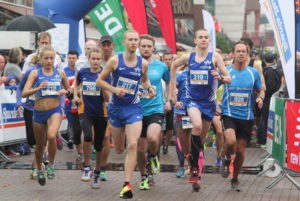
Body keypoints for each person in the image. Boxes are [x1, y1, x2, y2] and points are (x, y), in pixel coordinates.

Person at [170, 29, 231, 191]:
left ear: (209, 41)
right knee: (196, 126)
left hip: (209, 104)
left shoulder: (215, 57)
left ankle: (193, 163)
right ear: (195, 40)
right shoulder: (189, 57)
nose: (203, 40)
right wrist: (172, 91)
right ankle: (195, 169)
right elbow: (173, 65)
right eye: (201, 37)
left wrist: (221, 78)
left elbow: (229, 78)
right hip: (192, 101)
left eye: (206, 37)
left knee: (200, 140)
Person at [96, 30, 155, 199]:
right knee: (120, 149)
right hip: (115, 108)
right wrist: (114, 90)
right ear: (124, 42)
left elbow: (144, 81)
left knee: (133, 145)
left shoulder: (143, 63)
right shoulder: (115, 61)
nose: (133, 42)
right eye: (130, 40)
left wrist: (149, 89)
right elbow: (99, 81)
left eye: (136, 40)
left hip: (134, 108)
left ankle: (126, 185)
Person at [22, 46, 70, 186]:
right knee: (39, 145)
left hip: (54, 111)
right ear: (40, 59)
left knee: (52, 136)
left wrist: (66, 92)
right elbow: (25, 93)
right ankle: (39, 169)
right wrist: (38, 88)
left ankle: (51, 165)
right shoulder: (35, 74)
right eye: (46, 58)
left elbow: (69, 90)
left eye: (52, 58)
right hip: (39, 112)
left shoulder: (60, 72)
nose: (49, 61)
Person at [220, 41, 264, 191]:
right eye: (237, 51)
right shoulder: (225, 71)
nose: (240, 54)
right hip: (228, 113)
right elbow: (213, 88)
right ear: (233, 54)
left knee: (239, 150)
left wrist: (260, 98)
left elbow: (261, 89)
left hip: (246, 116)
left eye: (243, 51)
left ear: (247, 54)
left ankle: (235, 177)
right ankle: (226, 159)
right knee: (230, 141)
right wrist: (214, 103)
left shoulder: (253, 73)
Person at [137, 34, 171, 190]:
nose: (146, 49)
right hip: (136, 110)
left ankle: (153, 157)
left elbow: (169, 82)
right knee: (140, 149)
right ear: (138, 47)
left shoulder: (161, 66)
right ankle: (144, 176)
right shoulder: (133, 64)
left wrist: (168, 100)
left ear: (153, 48)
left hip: (155, 109)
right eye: (143, 46)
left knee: (152, 138)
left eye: (149, 46)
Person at [75, 48, 110, 189]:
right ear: (88, 59)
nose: (95, 61)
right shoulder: (83, 72)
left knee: (99, 144)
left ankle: (97, 171)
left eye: (98, 59)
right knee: (88, 136)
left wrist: (102, 87)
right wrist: (76, 95)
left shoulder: (105, 74)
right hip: (85, 111)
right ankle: (87, 166)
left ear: (102, 60)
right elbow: (76, 84)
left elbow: (108, 98)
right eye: (93, 58)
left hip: (101, 112)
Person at [98, 34, 115, 181]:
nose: (106, 47)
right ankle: (94, 164)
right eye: (104, 44)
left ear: (113, 46)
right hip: (95, 105)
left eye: (109, 44)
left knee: (106, 136)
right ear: (100, 45)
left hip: (113, 104)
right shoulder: (95, 62)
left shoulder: (118, 62)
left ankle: (102, 167)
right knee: (92, 138)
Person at [256, 52, 281, 147]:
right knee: (266, 119)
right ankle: (263, 140)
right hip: (268, 99)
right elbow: (270, 87)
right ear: (274, 60)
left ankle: (261, 139)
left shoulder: (265, 71)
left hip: (266, 98)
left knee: (265, 119)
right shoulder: (271, 71)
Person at [173, 67, 191, 178]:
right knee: (180, 140)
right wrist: (175, 100)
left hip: (193, 113)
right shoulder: (181, 75)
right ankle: (181, 166)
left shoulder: (201, 75)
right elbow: (172, 89)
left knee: (190, 139)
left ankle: (191, 165)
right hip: (181, 112)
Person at [63, 50, 79, 149]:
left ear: (77, 59)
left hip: (79, 99)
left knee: (79, 120)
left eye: (73, 58)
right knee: (70, 119)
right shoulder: (64, 71)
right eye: (70, 58)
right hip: (69, 100)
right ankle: (70, 139)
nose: (71, 60)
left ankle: (76, 139)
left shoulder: (79, 70)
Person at [161, 52, 174, 155]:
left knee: (170, 127)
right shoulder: (159, 70)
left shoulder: (175, 71)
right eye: (166, 59)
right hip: (159, 102)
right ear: (162, 60)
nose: (168, 61)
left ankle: (166, 144)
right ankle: (158, 144)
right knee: (159, 126)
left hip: (171, 101)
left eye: (170, 59)